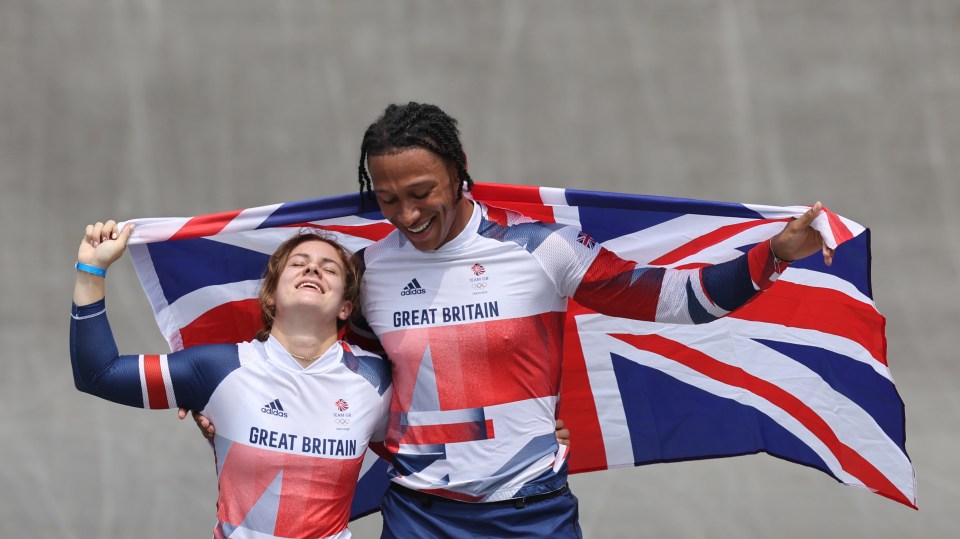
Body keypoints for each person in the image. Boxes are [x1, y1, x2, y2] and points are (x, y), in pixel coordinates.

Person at [195, 102, 832, 538]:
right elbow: (329, 377)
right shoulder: (367, 272)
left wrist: (772, 255)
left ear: (459, 167)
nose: (408, 214)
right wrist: (237, 403)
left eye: (422, 192)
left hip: (532, 513)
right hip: (421, 516)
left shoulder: (541, 249)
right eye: (388, 199)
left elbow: (675, 301)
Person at [71, 221, 392, 539]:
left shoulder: (375, 380)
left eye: (329, 268)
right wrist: (92, 269)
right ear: (270, 297)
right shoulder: (217, 369)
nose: (312, 270)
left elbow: (428, 452)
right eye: (298, 263)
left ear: (346, 308)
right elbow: (100, 374)